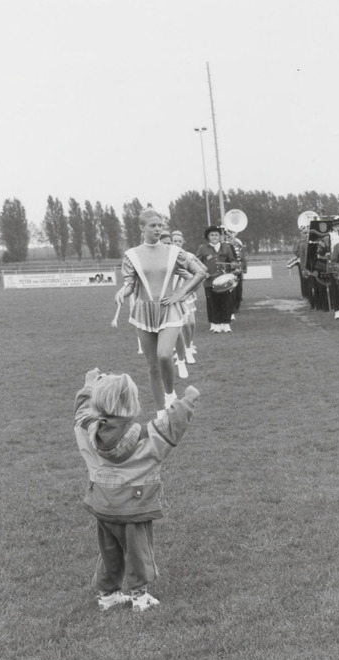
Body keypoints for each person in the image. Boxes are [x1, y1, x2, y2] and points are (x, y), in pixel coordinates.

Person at [73, 367, 200, 612]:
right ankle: (139, 597)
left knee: (109, 551)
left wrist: (88, 386)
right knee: (138, 552)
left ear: (97, 403)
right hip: (133, 508)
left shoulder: (87, 430)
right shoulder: (146, 437)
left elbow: (81, 412)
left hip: (103, 505)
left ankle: (107, 595)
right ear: (131, 403)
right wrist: (187, 400)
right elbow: (172, 425)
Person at [114, 208, 207, 415]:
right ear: (142, 228)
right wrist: (122, 292)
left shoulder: (173, 252)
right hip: (143, 312)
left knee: (164, 355)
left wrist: (181, 293)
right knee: (152, 366)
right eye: (153, 225)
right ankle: (160, 412)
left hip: (169, 309)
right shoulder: (132, 255)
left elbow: (200, 272)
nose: (157, 229)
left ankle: (170, 395)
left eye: (160, 225)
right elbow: (130, 284)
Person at [195, 225, 239, 333]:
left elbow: (232, 261)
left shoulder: (226, 247)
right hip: (210, 282)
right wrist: (203, 273)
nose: (214, 237)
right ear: (208, 237)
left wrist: (234, 265)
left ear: (220, 236)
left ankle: (226, 324)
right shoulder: (203, 248)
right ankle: (216, 324)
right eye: (212, 235)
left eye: (216, 235)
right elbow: (196, 263)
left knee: (226, 302)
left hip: (225, 281)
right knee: (213, 303)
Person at [170, 230, 198, 369]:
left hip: (186, 293)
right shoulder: (167, 257)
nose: (177, 243)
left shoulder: (189, 256)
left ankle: (189, 345)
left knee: (191, 323)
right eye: (174, 241)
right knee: (181, 325)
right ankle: (184, 351)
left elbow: (200, 272)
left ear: (183, 242)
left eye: (179, 241)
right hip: (173, 295)